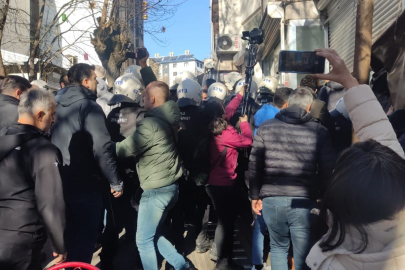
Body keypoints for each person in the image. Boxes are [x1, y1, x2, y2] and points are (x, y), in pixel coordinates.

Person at [306, 48, 405, 270]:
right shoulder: (397, 184)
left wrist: (349, 81)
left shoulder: (335, 263)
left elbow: (382, 136)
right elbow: (381, 134)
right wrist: (349, 81)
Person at [249, 86, 336, 270]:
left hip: (271, 199)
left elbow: (254, 166)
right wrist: (320, 195)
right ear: (309, 107)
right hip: (303, 201)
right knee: (303, 253)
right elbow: (328, 170)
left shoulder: (265, 128)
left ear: (288, 104)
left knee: (278, 248)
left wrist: (255, 196)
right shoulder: (319, 131)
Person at [115, 81, 194, 270]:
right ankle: (182, 265)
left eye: (143, 96)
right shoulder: (169, 117)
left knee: (143, 241)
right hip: (170, 186)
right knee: (153, 234)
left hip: (155, 190)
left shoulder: (150, 123)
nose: (141, 99)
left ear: (151, 98)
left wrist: (103, 145)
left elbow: (124, 150)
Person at [51, 63, 123, 264]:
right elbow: (102, 147)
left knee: (71, 237)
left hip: (59, 180)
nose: (96, 82)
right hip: (86, 184)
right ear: (85, 82)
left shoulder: (54, 103)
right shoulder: (89, 107)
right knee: (84, 240)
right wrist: (115, 181)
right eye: (94, 78)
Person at [0, 90, 66, 270]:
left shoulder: (3, 137)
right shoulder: (43, 150)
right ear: (39, 115)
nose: (53, 120)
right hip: (22, 237)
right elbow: (50, 202)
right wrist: (59, 244)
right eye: (52, 115)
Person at [100, 75, 149, 270]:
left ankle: (106, 259)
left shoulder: (113, 113)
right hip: (135, 175)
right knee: (136, 219)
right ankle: (135, 259)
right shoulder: (141, 115)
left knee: (113, 220)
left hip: (113, 173)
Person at [203, 85, 252, 270]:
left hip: (210, 182)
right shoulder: (227, 133)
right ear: (220, 114)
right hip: (225, 184)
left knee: (222, 220)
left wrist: (240, 95)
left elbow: (228, 111)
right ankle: (223, 262)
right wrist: (245, 124)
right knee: (226, 223)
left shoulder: (206, 125)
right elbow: (247, 141)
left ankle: (221, 258)